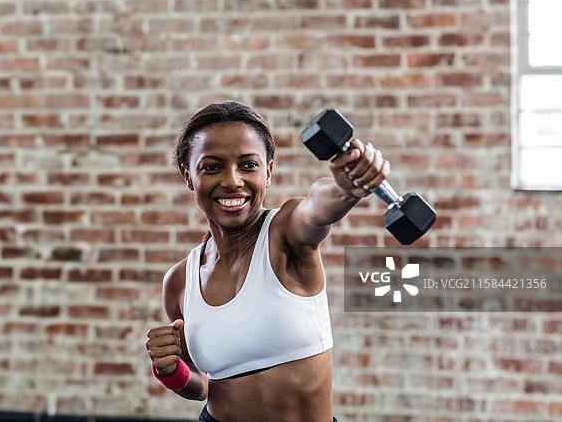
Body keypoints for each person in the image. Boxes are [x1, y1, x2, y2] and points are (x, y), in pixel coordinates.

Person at [145, 101, 390, 422]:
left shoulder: (287, 234)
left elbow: (317, 206)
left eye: (248, 165)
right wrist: (171, 371)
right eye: (212, 167)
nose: (232, 180)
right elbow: (202, 385)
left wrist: (345, 187)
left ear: (269, 171)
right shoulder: (180, 281)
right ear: (188, 176)